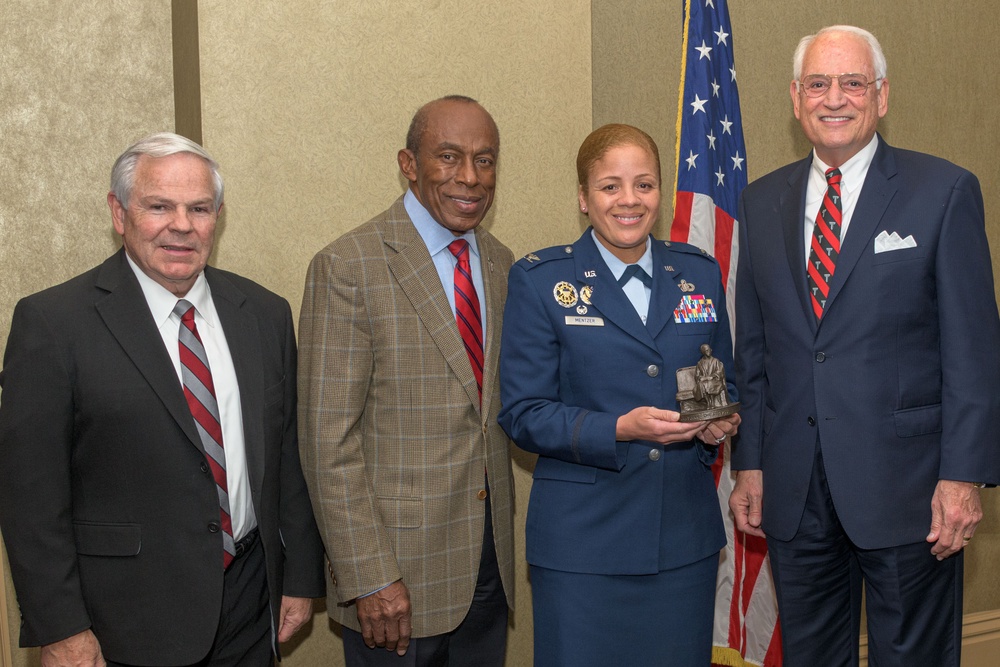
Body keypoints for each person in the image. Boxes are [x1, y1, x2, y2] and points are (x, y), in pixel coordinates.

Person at [0, 132, 326, 666]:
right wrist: (61, 629)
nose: (182, 225)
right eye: (159, 206)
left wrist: (301, 576)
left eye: (199, 208)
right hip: (123, 621)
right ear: (118, 212)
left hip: (249, 602)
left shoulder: (264, 313)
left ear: (218, 215)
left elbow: (289, 454)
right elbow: (30, 500)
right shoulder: (54, 324)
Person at [729, 25, 1000, 666]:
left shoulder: (943, 191)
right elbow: (758, 353)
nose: (835, 98)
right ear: (796, 99)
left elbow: (974, 352)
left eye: (853, 83)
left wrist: (963, 477)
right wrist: (752, 463)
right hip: (795, 490)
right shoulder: (761, 201)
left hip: (911, 492)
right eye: (819, 84)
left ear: (881, 95)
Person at [498, 124, 740, 666]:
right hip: (584, 547)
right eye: (610, 186)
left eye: (645, 185)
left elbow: (721, 381)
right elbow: (522, 414)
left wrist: (717, 423)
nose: (629, 200)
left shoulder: (698, 275)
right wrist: (618, 428)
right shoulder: (542, 282)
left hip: (682, 543)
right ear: (584, 198)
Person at [298, 95, 515, 666]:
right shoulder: (349, 266)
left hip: (487, 571)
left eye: (485, 159)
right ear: (409, 163)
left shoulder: (501, 263)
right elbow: (327, 443)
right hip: (394, 582)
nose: (469, 177)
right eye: (449, 156)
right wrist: (369, 576)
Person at [696, 344, 728, 408]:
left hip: (714, 380)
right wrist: (701, 378)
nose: (708, 352)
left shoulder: (716, 361)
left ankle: (712, 402)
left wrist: (712, 376)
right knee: (701, 385)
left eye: (708, 350)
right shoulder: (699, 363)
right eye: (706, 351)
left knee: (710, 383)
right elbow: (697, 375)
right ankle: (708, 402)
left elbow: (720, 371)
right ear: (703, 352)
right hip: (704, 381)